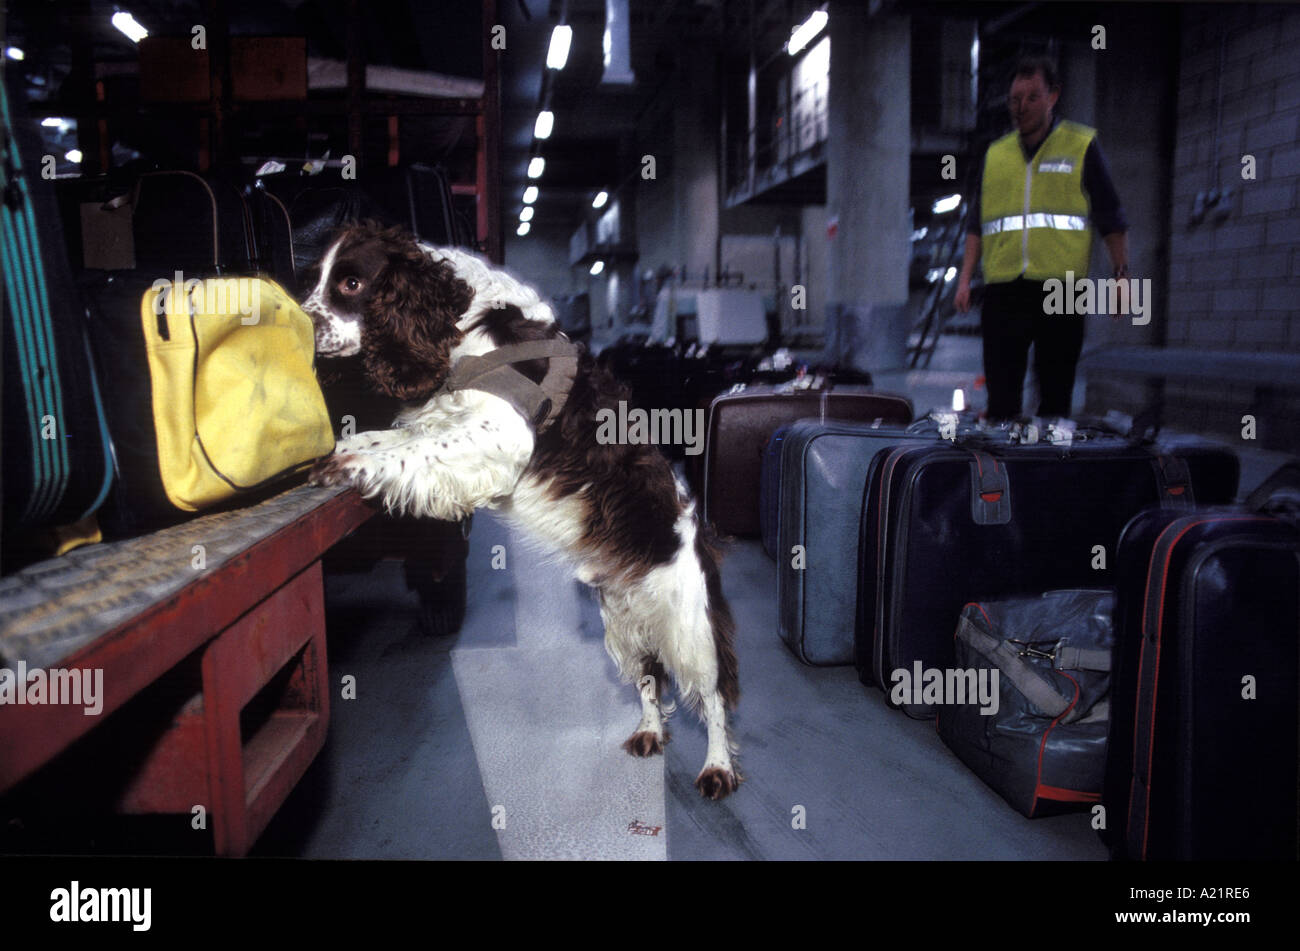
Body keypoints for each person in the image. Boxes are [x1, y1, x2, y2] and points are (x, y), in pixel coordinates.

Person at [954, 55, 1130, 421]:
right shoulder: (996, 154)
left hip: (1062, 288)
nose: (1021, 107)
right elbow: (977, 223)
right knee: (1001, 401)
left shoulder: (1081, 145)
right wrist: (966, 278)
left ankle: (1050, 471)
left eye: (1032, 97)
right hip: (1004, 287)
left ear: (1053, 96)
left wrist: (1122, 278)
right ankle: (1002, 474)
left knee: (1055, 397)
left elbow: (1110, 216)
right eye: (1015, 99)